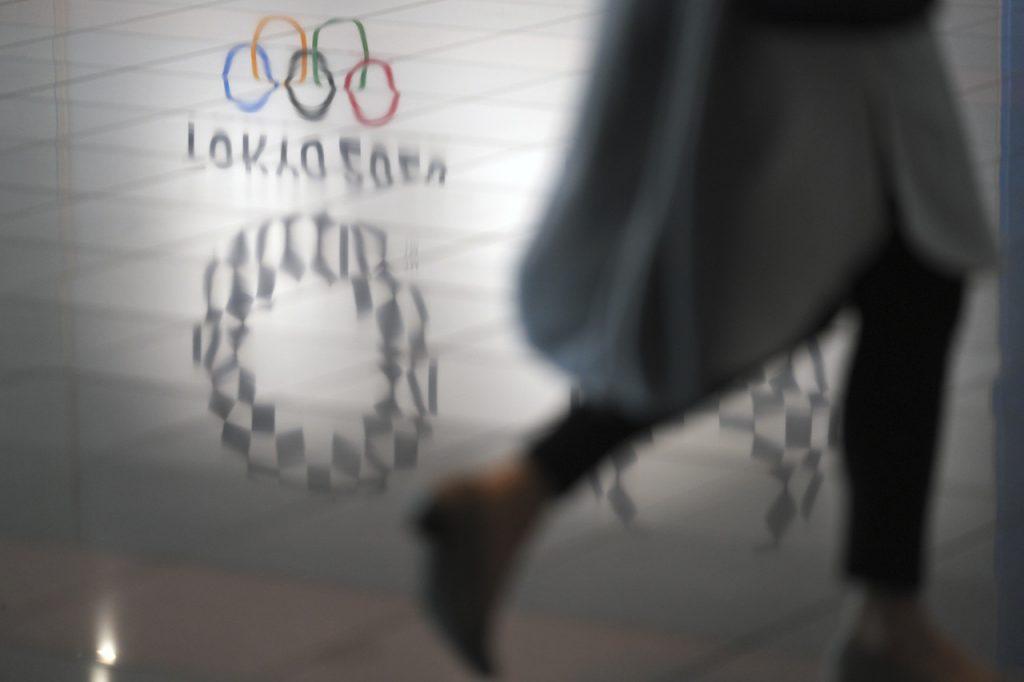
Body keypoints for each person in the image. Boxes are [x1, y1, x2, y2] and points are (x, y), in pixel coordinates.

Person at [413, 1, 1001, 679]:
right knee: (848, 275)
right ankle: (888, 625)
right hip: (796, 42)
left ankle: (513, 495)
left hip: (828, 46)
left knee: (890, 273)